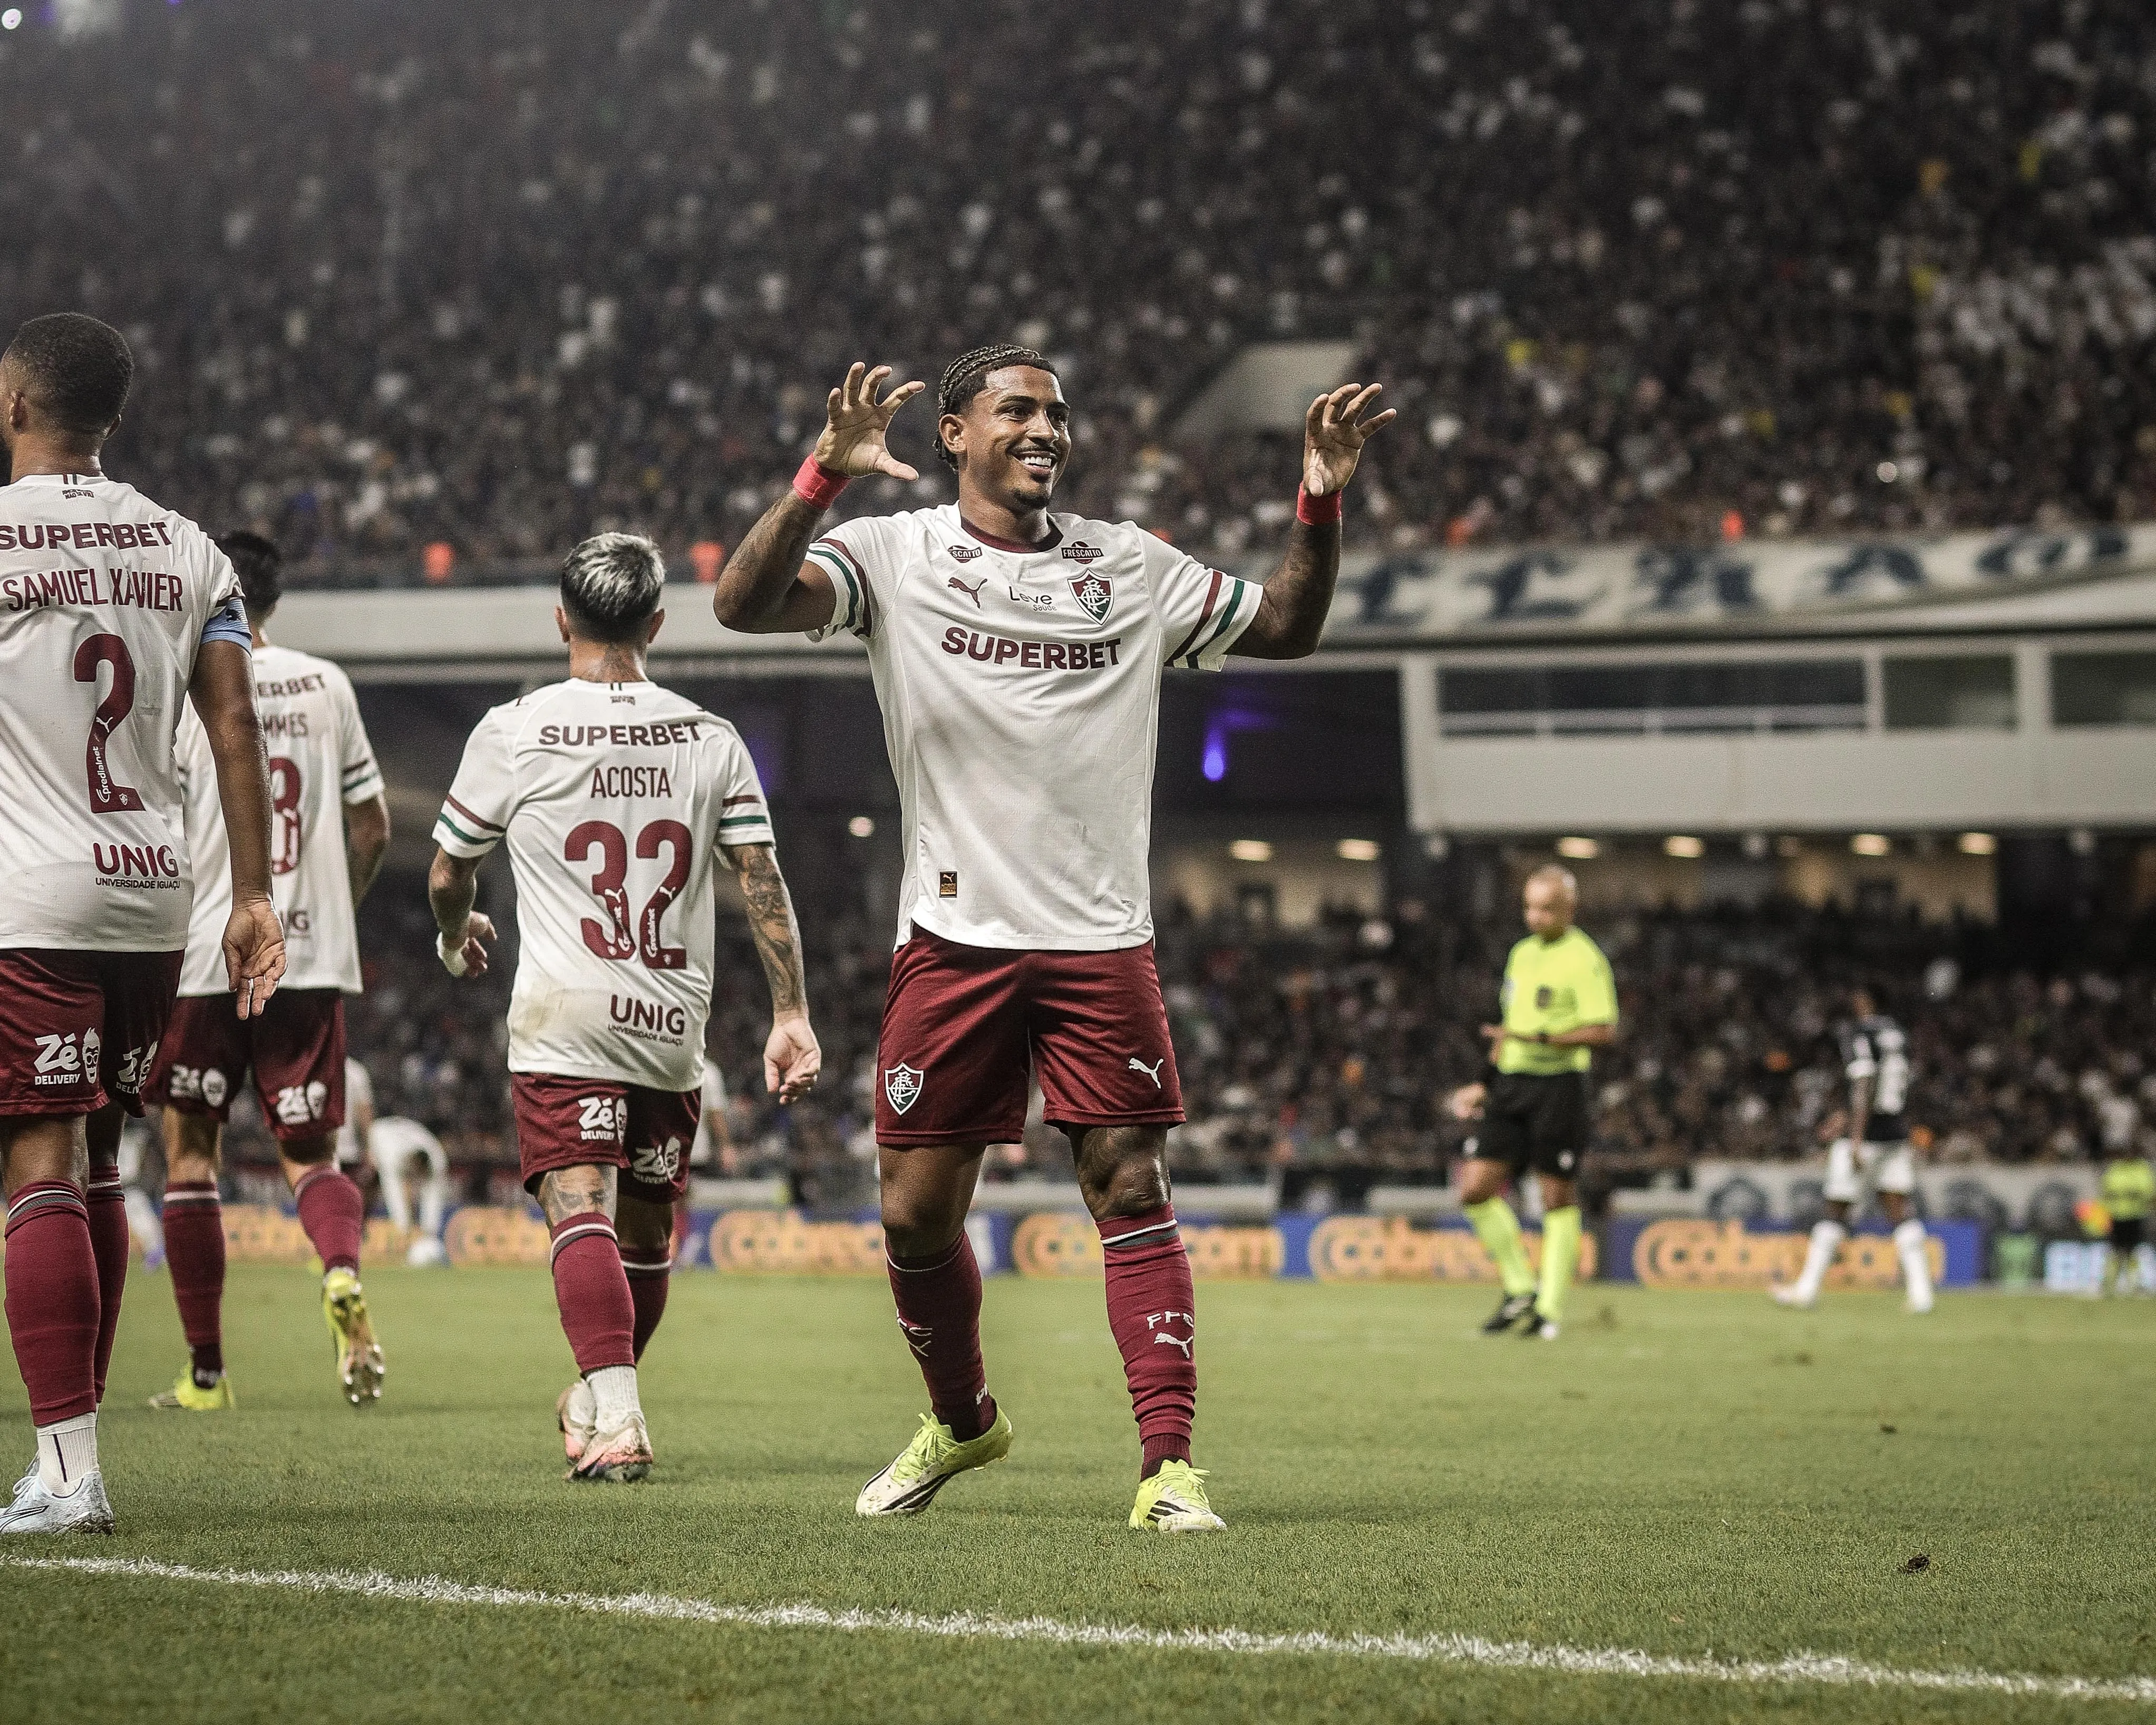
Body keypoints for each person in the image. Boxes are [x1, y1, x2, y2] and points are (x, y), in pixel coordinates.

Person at [712, 348, 1392, 1530]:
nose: (1045, 429)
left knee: (1130, 1181)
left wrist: (1318, 500)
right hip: (951, 935)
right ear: (954, 433)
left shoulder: (1127, 563)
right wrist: (822, 474)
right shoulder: (895, 554)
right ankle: (962, 1419)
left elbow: (1286, 626)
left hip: (1098, 940)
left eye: (1058, 414)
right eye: (1017, 410)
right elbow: (740, 603)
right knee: (914, 1215)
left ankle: (1168, 1468)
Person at [430, 532, 820, 1482]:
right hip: (670, 1024)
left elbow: (448, 871)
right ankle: (608, 1403)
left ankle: (615, 1409)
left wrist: (453, 930)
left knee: (581, 1212)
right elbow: (760, 879)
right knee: (645, 1234)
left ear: (561, 620)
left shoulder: (514, 729)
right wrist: (791, 1014)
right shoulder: (710, 736)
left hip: (564, 1015)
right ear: (656, 623)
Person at [0, 313, 285, 1535]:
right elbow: (235, 727)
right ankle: (73, 1447)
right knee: (101, 1158)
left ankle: (68, 1470)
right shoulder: (191, 550)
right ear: (110, 416)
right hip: (155, 894)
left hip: (33, 894)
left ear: (16, 404)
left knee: (37, 1162)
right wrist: (255, 894)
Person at [143, 532, 391, 1411]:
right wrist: (335, 912)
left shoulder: (183, 691)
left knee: (190, 1157)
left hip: (209, 953)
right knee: (312, 1155)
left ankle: (206, 1374)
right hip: (308, 958)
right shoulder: (329, 685)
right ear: (276, 599)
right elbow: (372, 827)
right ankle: (340, 1272)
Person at [1445, 866, 1617, 1342]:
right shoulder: (1521, 954)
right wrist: (1483, 1082)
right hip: (1510, 1085)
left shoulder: (1585, 959)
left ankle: (1549, 1308)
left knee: (1555, 1197)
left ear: (1570, 909)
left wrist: (1545, 1038)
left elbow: (1604, 1030)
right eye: (1529, 907)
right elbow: (1508, 1029)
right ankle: (1520, 1287)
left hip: (1559, 1086)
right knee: (1475, 1190)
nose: (1535, 917)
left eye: (1546, 909)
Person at [1774, 987, 1934, 1313]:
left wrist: (1856, 1136)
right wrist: (1847, 1115)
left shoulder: (1858, 1033)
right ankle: (1922, 1295)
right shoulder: (1898, 1034)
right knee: (1899, 1211)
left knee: (1835, 1211)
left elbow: (1865, 1080)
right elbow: (1900, 1085)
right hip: (1895, 1133)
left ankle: (1806, 1291)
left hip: (1867, 1136)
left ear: (1864, 1002)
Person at [369, 1113, 452, 1267]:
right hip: (375, 1134)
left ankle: (429, 1247)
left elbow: (434, 1197)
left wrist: (430, 1231)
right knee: (367, 1187)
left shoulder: (437, 1159)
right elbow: (394, 1195)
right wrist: (404, 1228)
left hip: (404, 1131)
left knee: (427, 1215)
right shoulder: (390, 1156)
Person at [2100, 1143, 2153, 1296]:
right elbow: (2107, 1189)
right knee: (2115, 1250)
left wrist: (2131, 1193)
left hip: (2135, 1215)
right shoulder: (2115, 1169)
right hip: (2116, 1215)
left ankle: (2133, 1284)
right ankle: (2109, 1284)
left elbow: (2148, 1190)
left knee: (2132, 1250)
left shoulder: (2141, 1169)